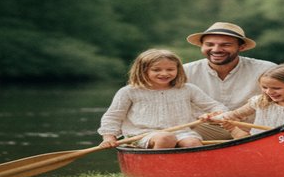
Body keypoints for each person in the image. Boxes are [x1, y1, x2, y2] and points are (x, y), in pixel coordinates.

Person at [98, 48, 228, 149]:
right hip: (141, 134)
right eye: (156, 70)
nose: (164, 73)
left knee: (192, 143)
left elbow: (215, 106)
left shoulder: (187, 89)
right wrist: (109, 137)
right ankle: (158, 172)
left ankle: (189, 173)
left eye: (170, 69)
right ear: (143, 71)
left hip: (181, 132)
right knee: (165, 138)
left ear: (178, 70)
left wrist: (215, 114)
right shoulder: (129, 91)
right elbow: (113, 116)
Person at [183, 21, 284, 110]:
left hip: (254, 132)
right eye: (209, 45)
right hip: (201, 132)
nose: (216, 50)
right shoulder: (184, 71)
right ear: (201, 46)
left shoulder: (265, 69)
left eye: (225, 45)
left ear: (242, 47)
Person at [204, 63, 284, 138]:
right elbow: (234, 115)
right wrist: (217, 118)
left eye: (276, 88)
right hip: (261, 143)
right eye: (264, 87)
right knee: (238, 133)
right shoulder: (260, 101)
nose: (269, 92)